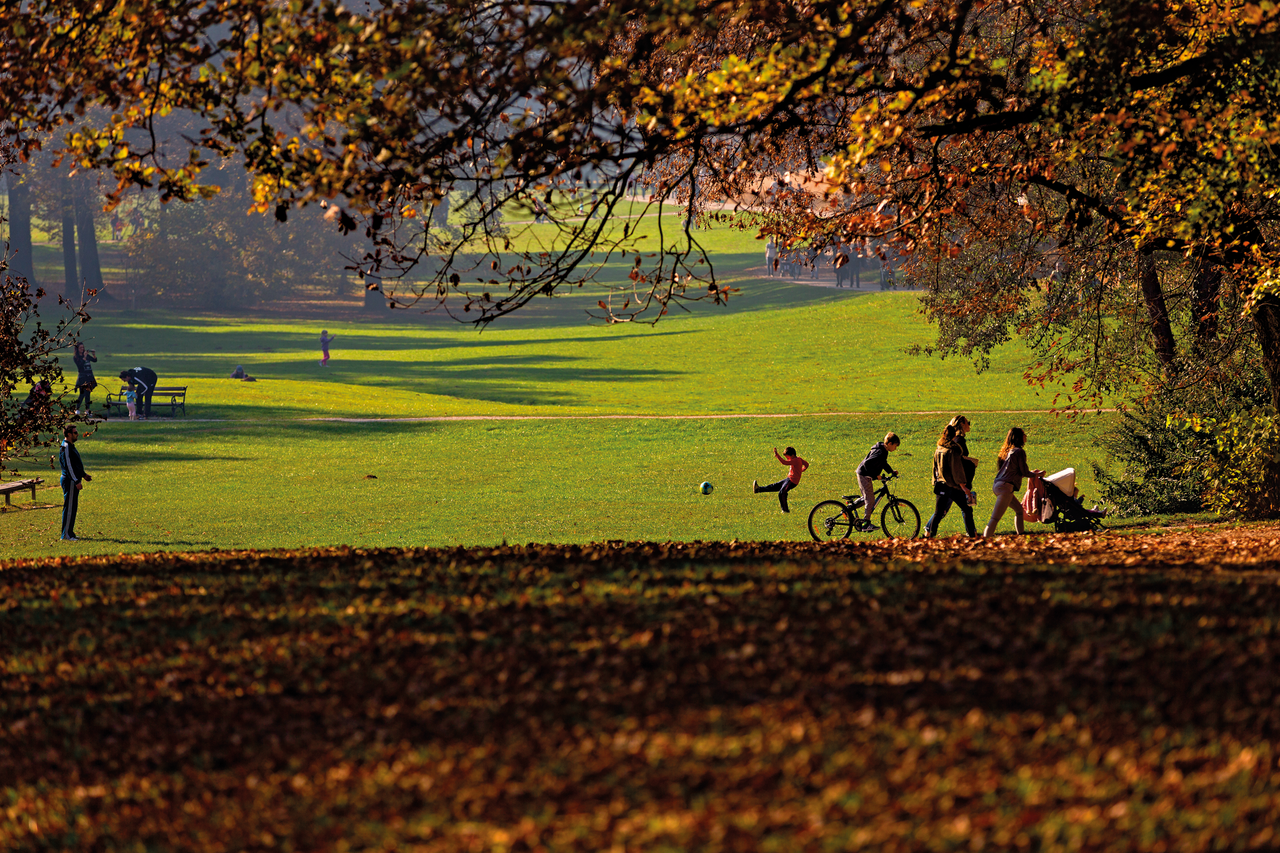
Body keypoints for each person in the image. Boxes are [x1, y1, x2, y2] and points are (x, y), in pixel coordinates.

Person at [983, 427, 1046, 537]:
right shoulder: (1019, 452)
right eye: (1023, 434)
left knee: (1019, 510)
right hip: (1005, 488)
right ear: (1019, 437)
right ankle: (984, 541)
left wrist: (1032, 473)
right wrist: (1037, 474)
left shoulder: (1008, 451)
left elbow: (1017, 472)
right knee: (995, 518)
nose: (1025, 436)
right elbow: (1024, 472)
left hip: (999, 485)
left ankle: (1021, 536)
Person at [923, 424, 976, 537]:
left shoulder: (939, 449)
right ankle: (972, 535)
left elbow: (935, 467)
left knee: (938, 513)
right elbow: (957, 471)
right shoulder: (954, 451)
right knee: (967, 510)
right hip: (953, 487)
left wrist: (934, 482)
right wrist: (964, 487)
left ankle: (931, 536)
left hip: (941, 485)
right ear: (954, 436)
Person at [855, 432, 901, 532]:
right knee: (870, 499)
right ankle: (865, 524)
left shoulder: (883, 451)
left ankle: (851, 508)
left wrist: (891, 471)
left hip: (865, 475)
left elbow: (883, 463)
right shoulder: (880, 452)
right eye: (895, 446)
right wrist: (875, 475)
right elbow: (868, 463)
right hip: (864, 475)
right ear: (890, 444)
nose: (895, 449)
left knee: (867, 498)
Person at [58, 424, 92, 541]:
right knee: (69, 508)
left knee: (72, 508)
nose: (77, 435)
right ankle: (66, 535)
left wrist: (83, 475)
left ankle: (70, 533)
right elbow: (68, 467)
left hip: (73, 480)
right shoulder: (66, 447)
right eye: (75, 433)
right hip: (70, 481)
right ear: (69, 434)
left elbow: (75, 465)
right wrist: (76, 480)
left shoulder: (71, 446)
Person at [753, 446, 809, 513]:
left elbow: (784, 462)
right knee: (775, 486)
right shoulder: (799, 459)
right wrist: (801, 470)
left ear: (792, 455)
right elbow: (806, 464)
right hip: (789, 479)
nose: (787, 459)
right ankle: (758, 489)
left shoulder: (795, 460)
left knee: (782, 493)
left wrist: (777, 455)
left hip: (792, 481)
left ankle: (785, 510)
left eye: (788, 457)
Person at [949, 415, 980, 507]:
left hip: (959, 480)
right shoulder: (959, 440)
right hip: (960, 480)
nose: (969, 425)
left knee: (965, 509)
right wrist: (972, 461)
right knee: (941, 511)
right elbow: (957, 457)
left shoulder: (956, 439)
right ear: (962, 424)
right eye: (968, 423)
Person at [73, 342, 98, 415]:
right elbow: (80, 366)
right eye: (80, 348)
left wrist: (93, 354)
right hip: (82, 377)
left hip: (89, 377)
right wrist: (84, 357)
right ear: (77, 349)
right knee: (82, 393)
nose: (82, 349)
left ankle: (87, 410)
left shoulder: (86, 355)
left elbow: (94, 360)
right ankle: (77, 409)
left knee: (88, 393)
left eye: (83, 347)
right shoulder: (76, 357)